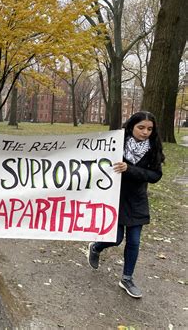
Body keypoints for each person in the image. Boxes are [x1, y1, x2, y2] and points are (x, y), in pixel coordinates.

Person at [87, 111, 165, 298]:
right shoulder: (116, 143)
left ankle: (127, 278)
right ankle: (96, 247)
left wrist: (130, 170)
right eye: (141, 127)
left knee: (134, 241)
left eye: (149, 129)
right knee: (116, 239)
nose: (145, 132)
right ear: (131, 126)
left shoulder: (153, 148)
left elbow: (155, 175)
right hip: (115, 198)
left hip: (137, 200)